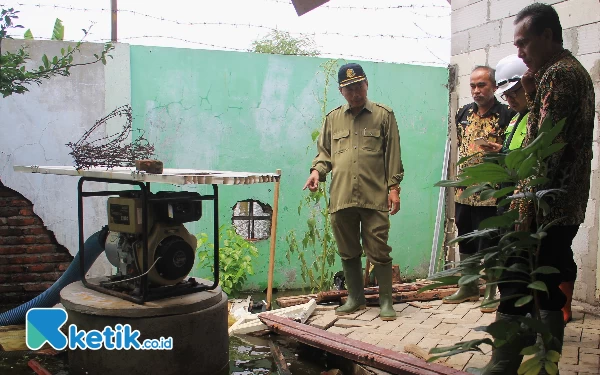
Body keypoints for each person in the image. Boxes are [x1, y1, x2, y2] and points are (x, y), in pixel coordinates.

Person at [481, 4, 595, 374]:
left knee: (517, 279)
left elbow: (542, 151)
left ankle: (507, 366)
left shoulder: (560, 76)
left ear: (548, 36)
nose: (519, 53)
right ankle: (542, 367)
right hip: (558, 204)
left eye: (524, 43)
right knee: (546, 281)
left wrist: (522, 212)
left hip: (545, 205)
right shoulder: (558, 74)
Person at [303, 63, 404, 321]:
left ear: (366, 84)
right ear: (341, 91)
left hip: (374, 196)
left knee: (379, 249)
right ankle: (355, 298)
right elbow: (324, 154)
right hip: (342, 197)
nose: (355, 92)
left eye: (359, 86)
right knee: (348, 250)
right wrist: (316, 172)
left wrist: (394, 188)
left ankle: (385, 302)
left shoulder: (384, 115)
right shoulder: (333, 119)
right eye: (349, 88)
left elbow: (393, 155)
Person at [443, 66, 516, 313]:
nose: (476, 90)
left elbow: (513, 152)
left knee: (490, 242)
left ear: (494, 87)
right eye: (473, 86)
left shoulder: (506, 114)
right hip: (464, 191)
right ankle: (468, 287)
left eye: (482, 85)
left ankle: (491, 293)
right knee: (465, 240)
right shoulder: (463, 113)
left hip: (491, 193)